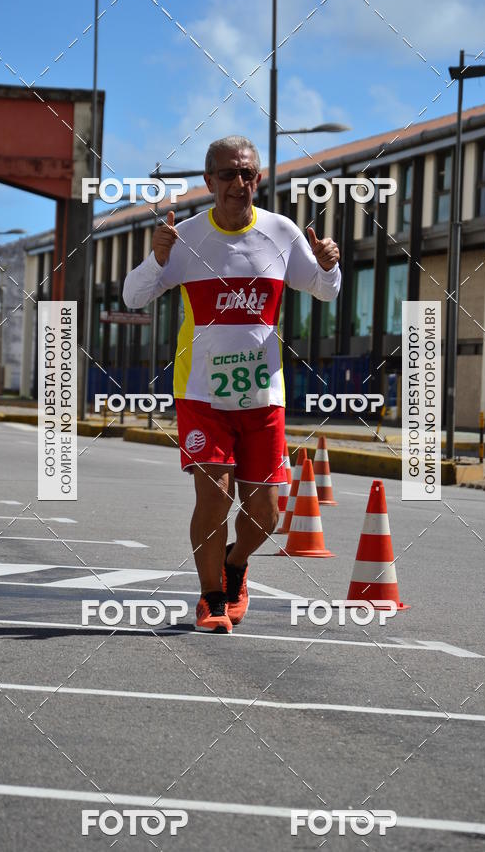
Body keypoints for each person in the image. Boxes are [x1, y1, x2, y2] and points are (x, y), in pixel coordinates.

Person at [123, 136, 341, 633]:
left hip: (264, 396)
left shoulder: (281, 233)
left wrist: (330, 266)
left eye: (247, 175)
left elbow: (325, 292)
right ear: (208, 182)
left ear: (258, 180)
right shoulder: (186, 239)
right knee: (214, 497)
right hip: (202, 395)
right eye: (227, 175)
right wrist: (157, 259)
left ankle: (235, 563)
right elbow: (134, 297)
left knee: (265, 512)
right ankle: (211, 599)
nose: (237, 184)